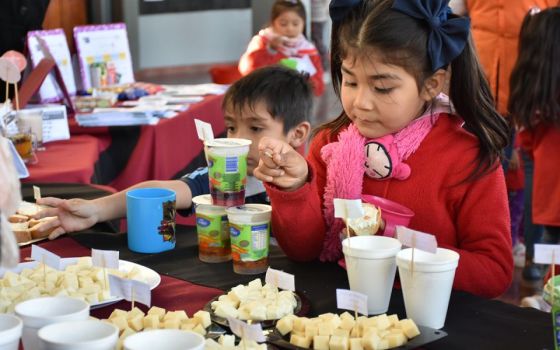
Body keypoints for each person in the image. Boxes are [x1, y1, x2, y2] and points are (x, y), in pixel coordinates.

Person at [254, 0, 513, 298]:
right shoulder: (330, 144)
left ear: (431, 84)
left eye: (382, 88)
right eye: (350, 81)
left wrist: (395, 247)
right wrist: (294, 188)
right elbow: (304, 251)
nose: (361, 102)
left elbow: (494, 271)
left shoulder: (467, 158)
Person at [31, 65, 313, 238]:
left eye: (255, 129)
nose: (235, 140)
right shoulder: (225, 176)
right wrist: (96, 210)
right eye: (230, 127)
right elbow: (161, 191)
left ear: (297, 134)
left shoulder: (316, 180)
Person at [449, 0, 557, 281]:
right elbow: (450, 13)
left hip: (534, 89)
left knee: (535, 174)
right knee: (478, 169)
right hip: (478, 90)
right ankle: (481, 246)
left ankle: (537, 253)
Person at [510, 7, 560, 310]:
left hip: (549, 208)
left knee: (553, 267)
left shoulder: (538, 103)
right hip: (548, 207)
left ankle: (545, 301)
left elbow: (527, 144)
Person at [238, 0, 325, 96]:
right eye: (283, 24)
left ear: (303, 24)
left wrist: (308, 81)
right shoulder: (262, 41)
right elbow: (247, 70)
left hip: (295, 102)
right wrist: (270, 50)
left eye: (295, 24)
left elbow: (319, 87)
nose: (290, 28)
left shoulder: (309, 50)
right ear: (273, 22)